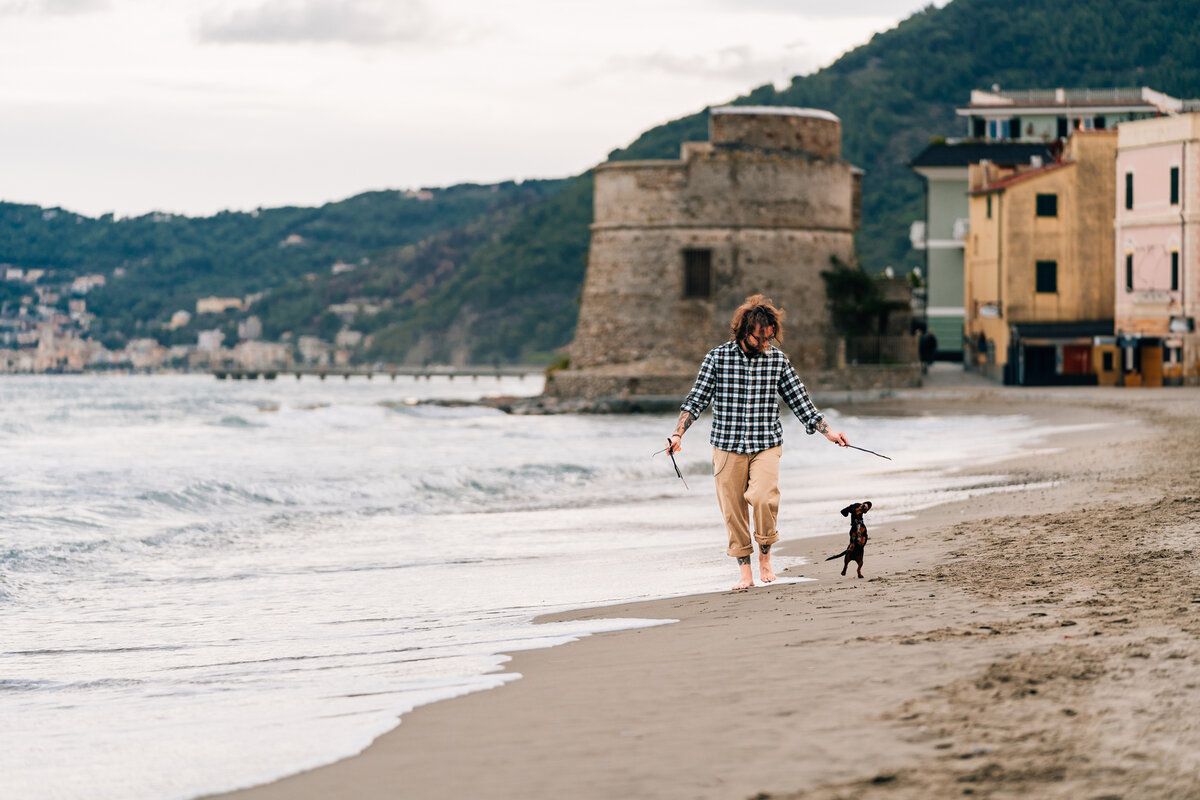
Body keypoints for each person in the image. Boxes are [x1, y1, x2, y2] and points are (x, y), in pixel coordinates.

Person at [666, 295, 849, 591]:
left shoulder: (777, 360)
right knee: (733, 511)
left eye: (769, 337)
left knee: (764, 498)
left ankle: (765, 555)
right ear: (744, 331)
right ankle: (745, 571)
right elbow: (696, 400)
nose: (765, 343)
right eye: (760, 338)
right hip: (726, 447)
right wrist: (678, 434)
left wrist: (828, 431)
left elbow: (800, 400)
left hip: (766, 443)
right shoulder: (717, 358)